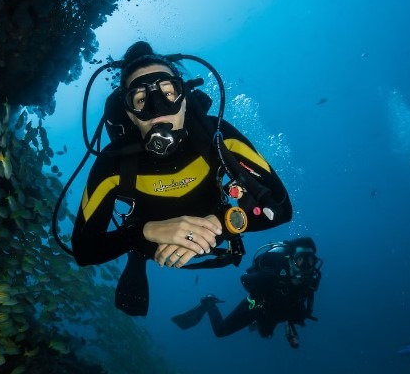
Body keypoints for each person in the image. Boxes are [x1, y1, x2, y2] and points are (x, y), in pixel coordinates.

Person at [70, 41, 292, 316]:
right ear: (129, 113)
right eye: (140, 100)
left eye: (168, 92)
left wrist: (222, 223)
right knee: (136, 247)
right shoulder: (113, 163)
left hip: (218, 228)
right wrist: (143, 232)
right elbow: (84, 250)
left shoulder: (218, 136)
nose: (157, 108)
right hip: (149, 243)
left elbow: (281, 208)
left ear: (184, 98)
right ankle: (136, 257)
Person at [172, 237, 322, 348]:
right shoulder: (275, 271)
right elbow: (245, 279)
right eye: (302, 260)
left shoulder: (310, 280)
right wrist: (272, 280)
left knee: (265, 334)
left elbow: (303, 305)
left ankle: (266, 325)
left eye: (311, 261)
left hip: (277, 313)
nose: (307, 266)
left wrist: (293, 321)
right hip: (256, 307)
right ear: (291, 260)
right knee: (221, 331)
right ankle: (209, 304)